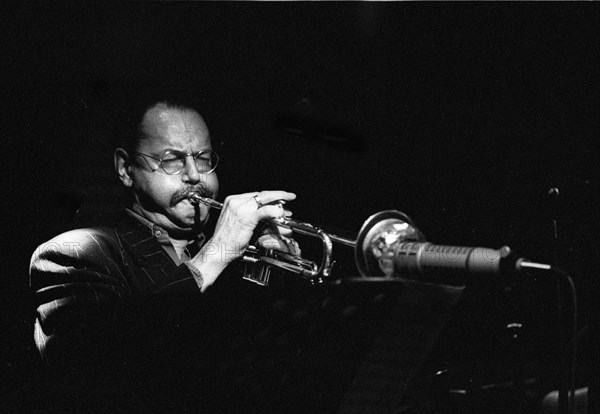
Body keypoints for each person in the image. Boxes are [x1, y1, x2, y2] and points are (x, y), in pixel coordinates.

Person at [29, 100, 300, 412]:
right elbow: (100, 375)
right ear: (126, 170)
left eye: (203, 158)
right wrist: (218, 251)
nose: (195, 176)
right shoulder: (76, 253)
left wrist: (282, 277)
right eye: (172, 160)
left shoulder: (237, 258)